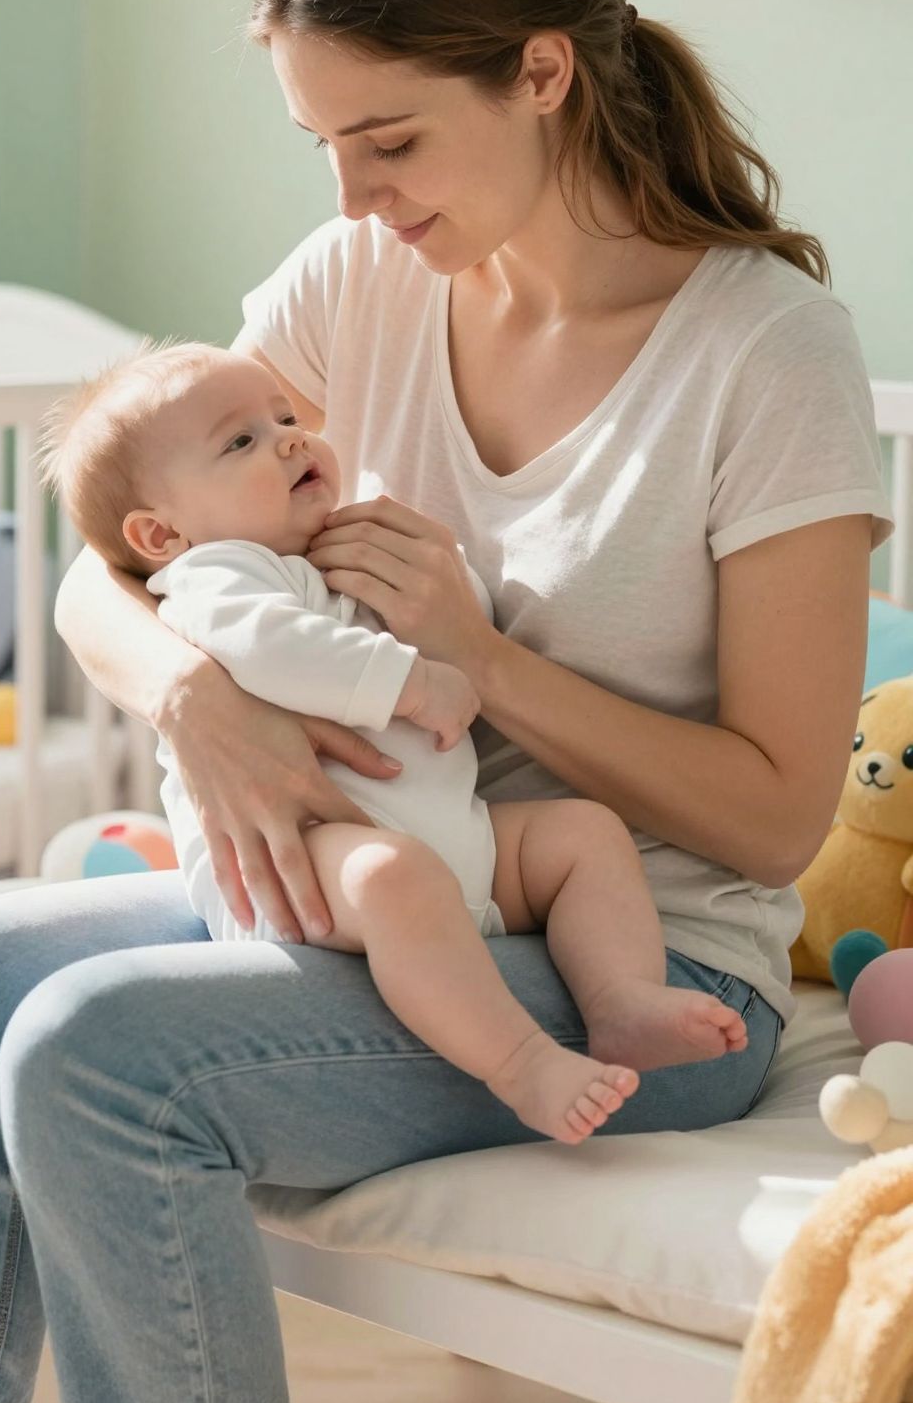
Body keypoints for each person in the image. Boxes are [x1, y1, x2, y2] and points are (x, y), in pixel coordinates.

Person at [0, 0, 893, 1403]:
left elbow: (780, 817)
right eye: (324, 146)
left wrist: (478, 656)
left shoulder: (759, 354)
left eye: (387, 139)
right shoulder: (351, 287)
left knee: (92, 1051)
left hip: (632, 964)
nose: (357, 192)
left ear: (541, 68)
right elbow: (107, 565)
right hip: (348, 898)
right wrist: (195, 700)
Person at [39, 339, 751, 1145]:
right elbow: (273, 648)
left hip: (459, 855)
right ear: (161, 535)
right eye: (240, 441)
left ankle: (621, 1000)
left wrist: (444, 590)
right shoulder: (215, 578)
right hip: (312, 873)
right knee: (394, 876)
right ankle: (523, 1063)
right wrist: (411, 683)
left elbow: (450, 629)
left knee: (582, 835)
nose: (289, 438)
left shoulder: (329, 554)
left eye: (284, 417)